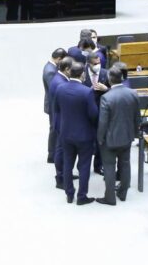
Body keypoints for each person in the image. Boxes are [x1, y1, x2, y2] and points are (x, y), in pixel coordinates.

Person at [96, 63, 141, 205]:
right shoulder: (133, 93)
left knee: (109, 167)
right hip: (127, 137)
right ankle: (123, 193)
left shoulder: (106, 97)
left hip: (110, 140)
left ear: (109, 79)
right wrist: (134, 134)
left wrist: (99, 139)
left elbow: (103, 122)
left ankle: (109, 198)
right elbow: (137, 117)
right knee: (125, 165)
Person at [55, 61, 98, 205]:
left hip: (66, 134)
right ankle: (82, 196)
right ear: (82, 74)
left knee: (68, 164)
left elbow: (57, 109)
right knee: (84, 166)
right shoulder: (87, 92)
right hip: (84, 135)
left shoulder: (60, 88)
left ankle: (69, 194)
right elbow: (94, 114)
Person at [50, 56, 73, 189]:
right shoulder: (60, 83)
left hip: (60, 119)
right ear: (67, 69)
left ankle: (65, 173)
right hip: (62, 121)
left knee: (62, 149)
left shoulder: (60, 78)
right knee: (61, 150)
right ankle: (60, 178)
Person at [44, 48, 67, 163]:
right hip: (53, 105)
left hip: (53, 103)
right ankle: (51, 154)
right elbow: (54, 90)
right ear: (59, 59)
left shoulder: (51, 67)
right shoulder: (50, 71)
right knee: (54, 128)